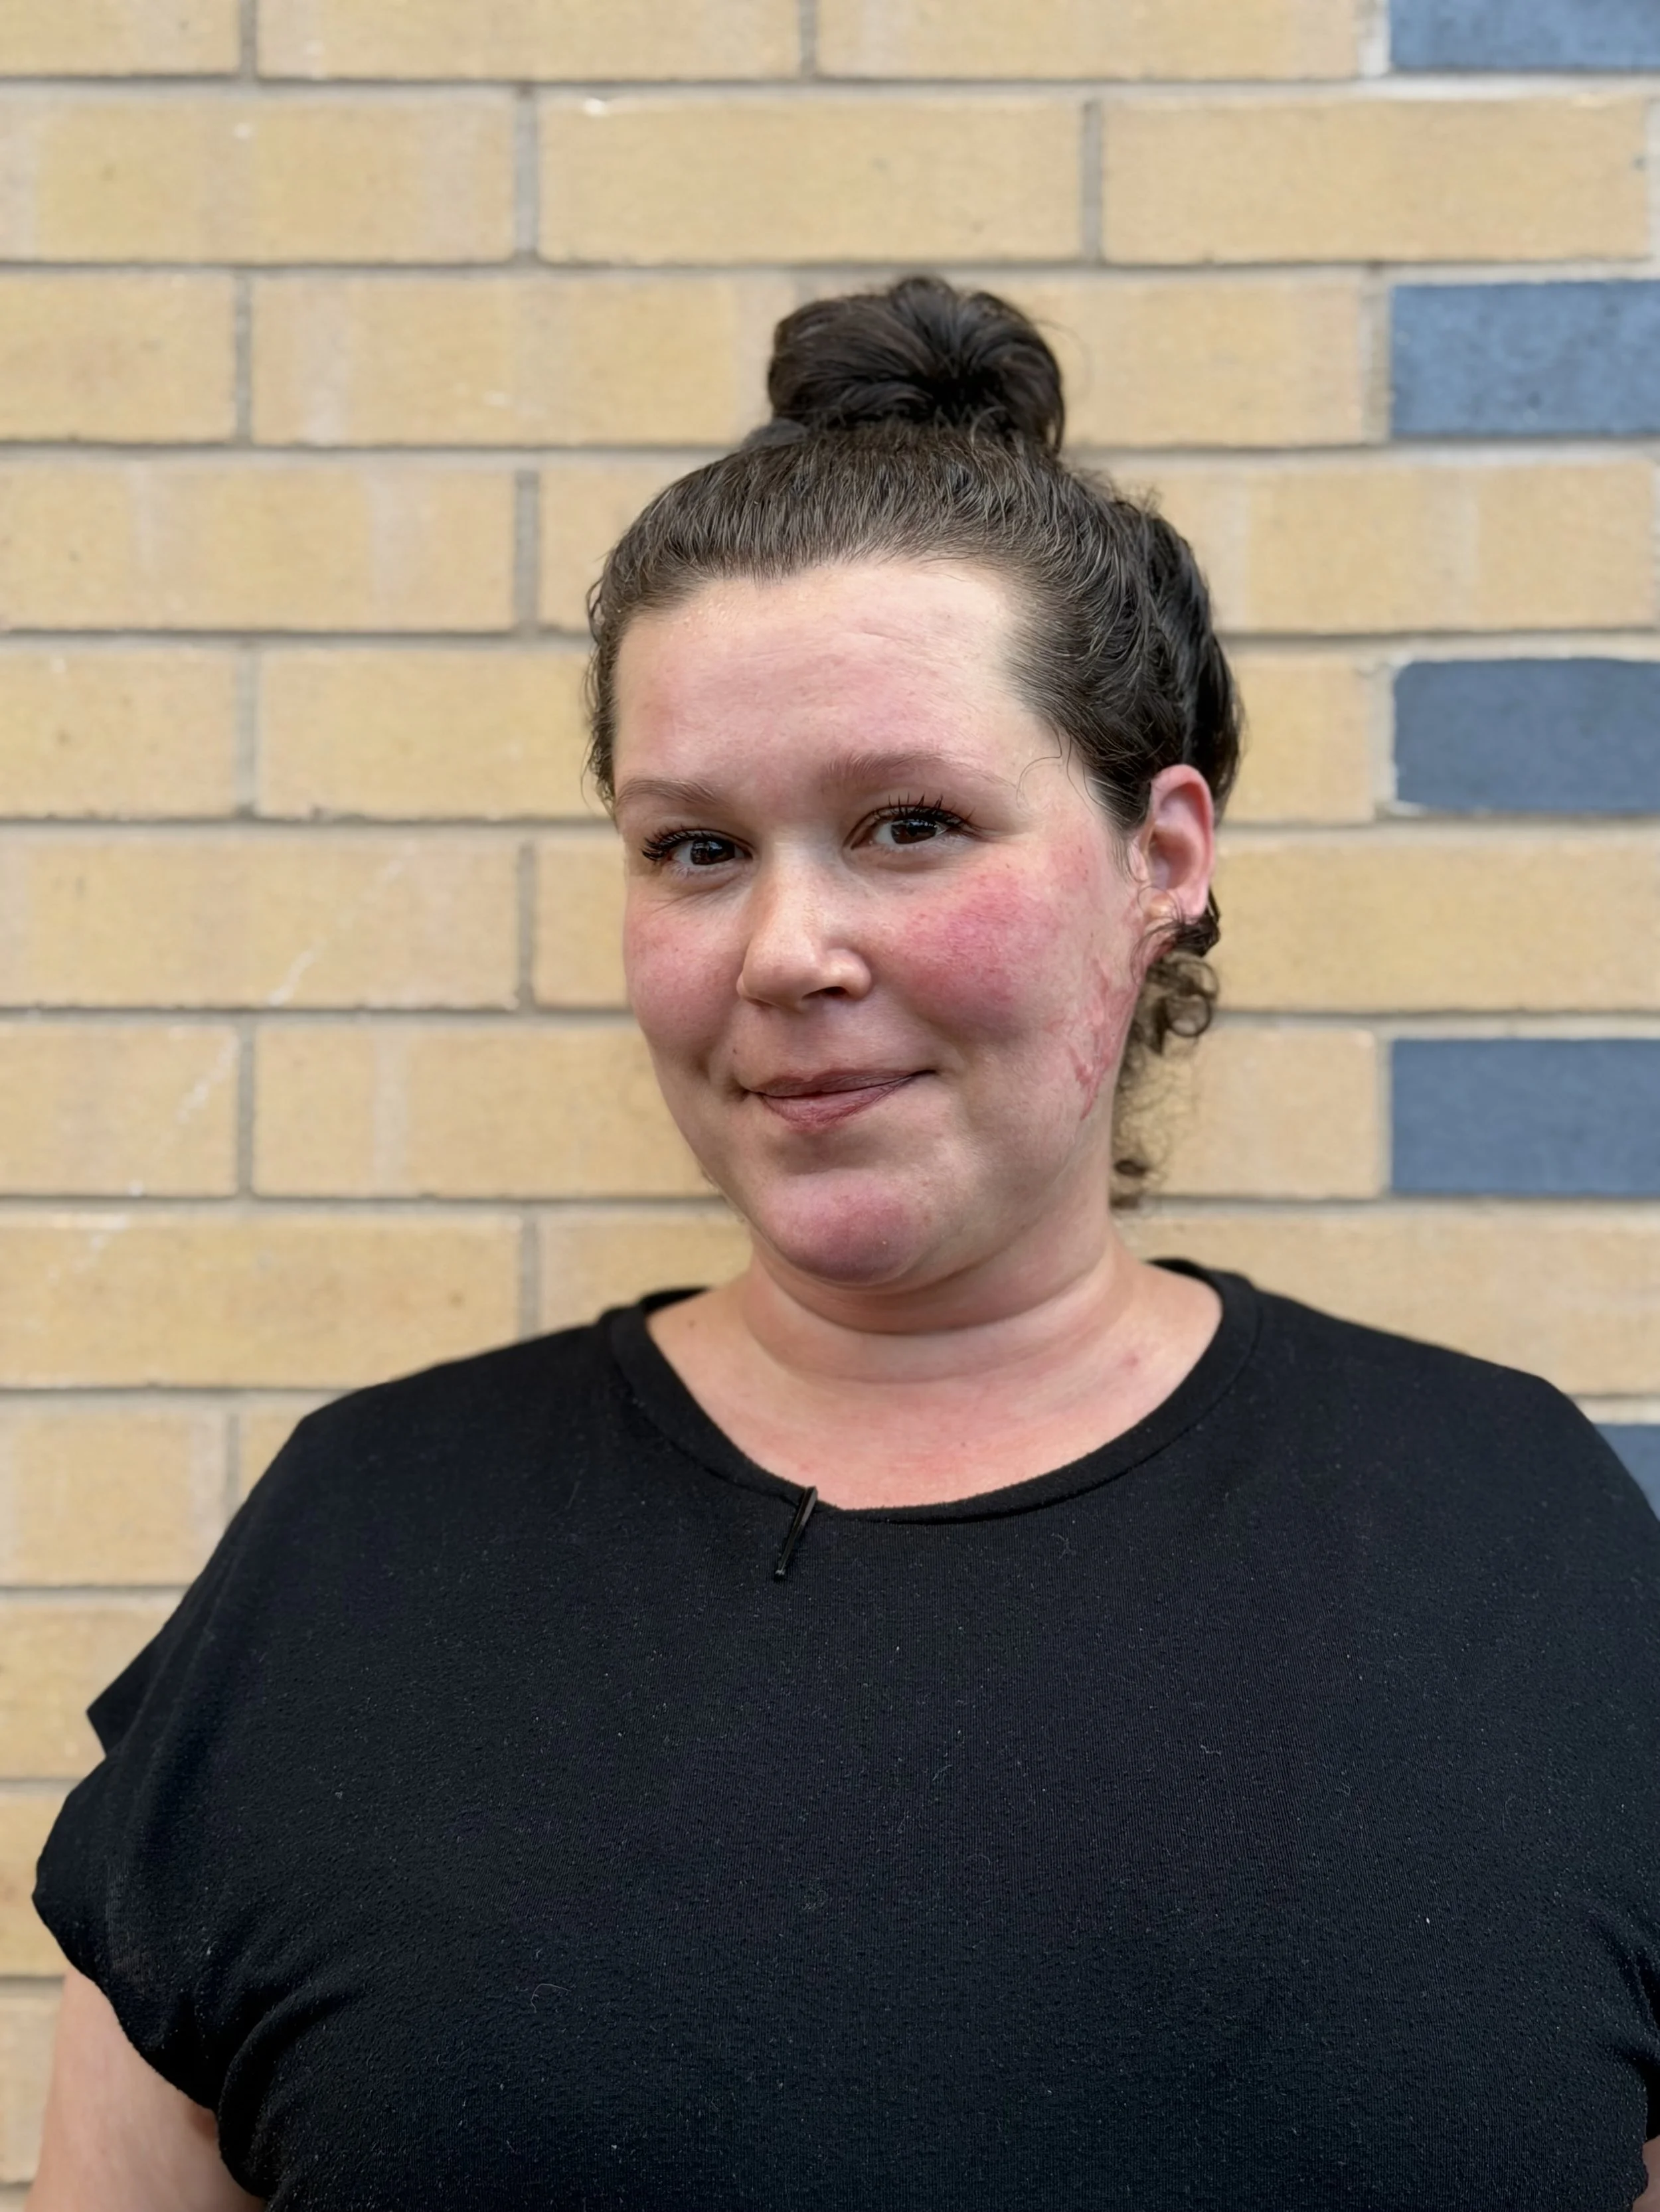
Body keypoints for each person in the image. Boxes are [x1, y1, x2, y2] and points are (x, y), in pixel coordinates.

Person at [27, 277, 1660, 2212]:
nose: (783, 949)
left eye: (905, 822)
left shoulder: (1514, 1536)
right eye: (692, 847)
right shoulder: (363, 1538)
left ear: (1163, 858)